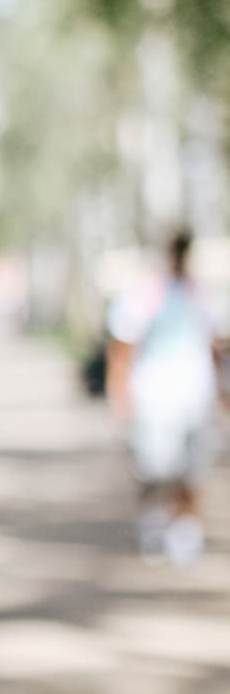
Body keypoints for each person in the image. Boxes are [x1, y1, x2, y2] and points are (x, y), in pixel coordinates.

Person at [106, 231, 221, 565]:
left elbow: (214, 345)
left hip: (195, 398)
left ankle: (185, 534)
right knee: (152, 468)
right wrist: (119, 394)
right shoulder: (147, 291)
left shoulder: (199, 292)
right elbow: (123, 347)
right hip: (155, 397)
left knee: (191, 471)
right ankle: (153, 526)